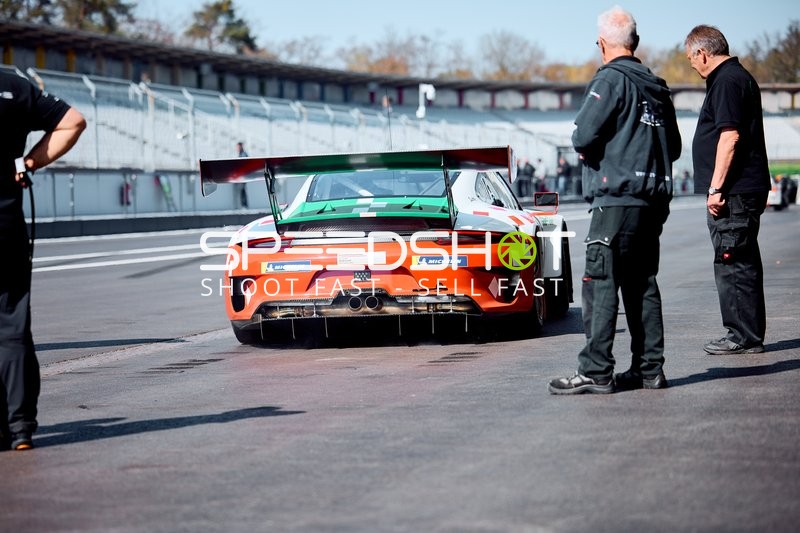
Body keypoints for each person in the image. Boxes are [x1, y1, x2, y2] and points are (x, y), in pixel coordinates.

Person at [549, 6, 681, 394]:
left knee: (601, 280)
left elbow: (583, 136)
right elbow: (671, 147)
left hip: (616, 197)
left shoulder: (609, 78)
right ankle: (648, 369)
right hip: (652, 200)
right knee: (642, 283)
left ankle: (595, 370)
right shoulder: (657, 86)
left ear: (603, 44)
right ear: (635, 43)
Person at [0, 70, 86, 449]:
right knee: (12, 325)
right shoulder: (14, 86)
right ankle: (19, 427)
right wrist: (27, 163)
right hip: (5, 227)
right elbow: (73, 122)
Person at [685, 25, 770, 355]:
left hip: (732, 192)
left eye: (691, 59)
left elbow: (730, 136)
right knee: (742, 259)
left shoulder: (726, 81)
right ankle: (747, 332)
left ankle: (742, 336)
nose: (692, 66)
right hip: (742, 190)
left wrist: (716, 187)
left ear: (702, 53)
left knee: (732, 260)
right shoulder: (738, 77)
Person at [236, 141, 249, 209]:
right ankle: (243, 205)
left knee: (242, 189)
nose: (237, 148)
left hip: (244, 175)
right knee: (242, 190)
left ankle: (244, 205)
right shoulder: (240, 154)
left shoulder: (243, 154)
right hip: (241, 175)